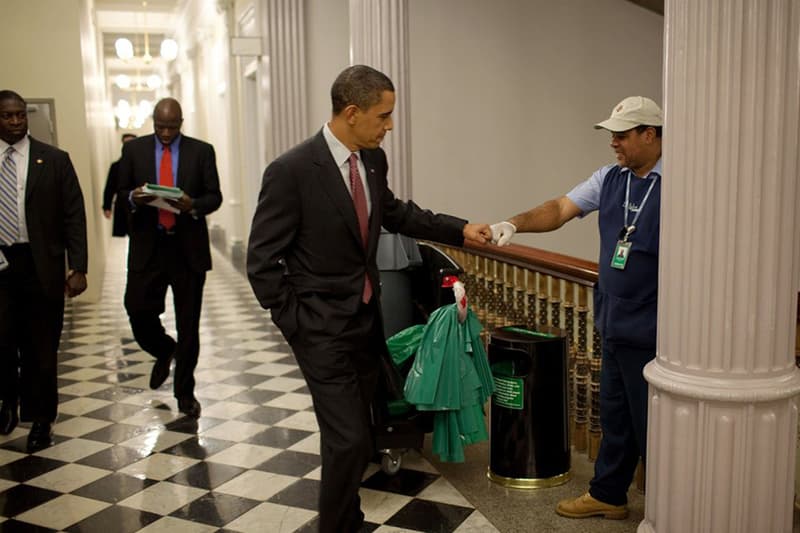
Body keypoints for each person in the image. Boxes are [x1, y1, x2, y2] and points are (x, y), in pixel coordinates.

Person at [247, 64, 492, 532]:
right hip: (319, 327)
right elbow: (261, 261)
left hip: (364, 320)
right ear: (353, 112)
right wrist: (295, 322)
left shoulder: (372, 162)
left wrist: (459, 228)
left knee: (352, 434)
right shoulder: (291, 171)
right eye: (384, 116)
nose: (390, 125)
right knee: (349, 438)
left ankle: (348, 517)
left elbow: (397, 213)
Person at [490, 96, 663, 520]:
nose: (614, 144)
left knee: (654, 428)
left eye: (622, 135)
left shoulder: (681, 182)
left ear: (651, 134)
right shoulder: (610, 178)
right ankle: (609, 493)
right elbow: (561, 208)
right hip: (614, 320)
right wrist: (513, 224)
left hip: (657, 328)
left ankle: (673, 512)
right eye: (612, 136)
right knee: (615, 415)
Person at [117, 97, 222, 419]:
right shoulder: (134, 151)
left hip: (186, 248)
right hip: (148, 247)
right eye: (160, 126)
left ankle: (185, 393)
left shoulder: (201, 151)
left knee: (189, 325)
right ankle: (164, 349)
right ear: (152, 121)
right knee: (136, 309)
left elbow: (214, 196)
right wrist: (134, 198)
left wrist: (192, 205)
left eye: (172, 127)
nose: (165, 132)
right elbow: (120, 193)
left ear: (181, 123)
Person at [0, 90, 88, 451]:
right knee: (3, 342)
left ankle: (41, 419)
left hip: (41, 267)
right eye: (8, 116)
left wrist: (78, 266)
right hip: (0, 265)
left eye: (21, 115)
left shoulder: (53, 160)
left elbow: (74, 216)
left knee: (41, 347)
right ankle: (8, 400)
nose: (17, 121)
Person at [102, 133, 137, 237]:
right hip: (122, 205)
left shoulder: (143, 165)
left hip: (140, 206)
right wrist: (107, 206)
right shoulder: (116, 166)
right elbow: (110, 187)